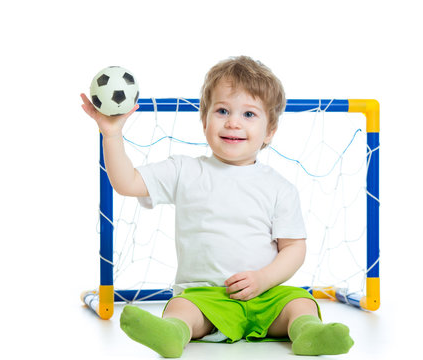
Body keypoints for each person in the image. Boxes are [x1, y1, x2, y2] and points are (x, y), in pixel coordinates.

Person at [81, 56, 354, 357]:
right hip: (206, 297)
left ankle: (309, 333)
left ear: (270, 131)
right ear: (204, 120)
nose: (233, 122)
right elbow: (126, 182)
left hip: (266, 296)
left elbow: (294, 248)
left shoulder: (280, 188)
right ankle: (172, 333)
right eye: (222, 110)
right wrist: (112, 133)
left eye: (249, 114)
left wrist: (263, 279)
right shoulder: (185, 171)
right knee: (181, 307)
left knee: (299, 302)